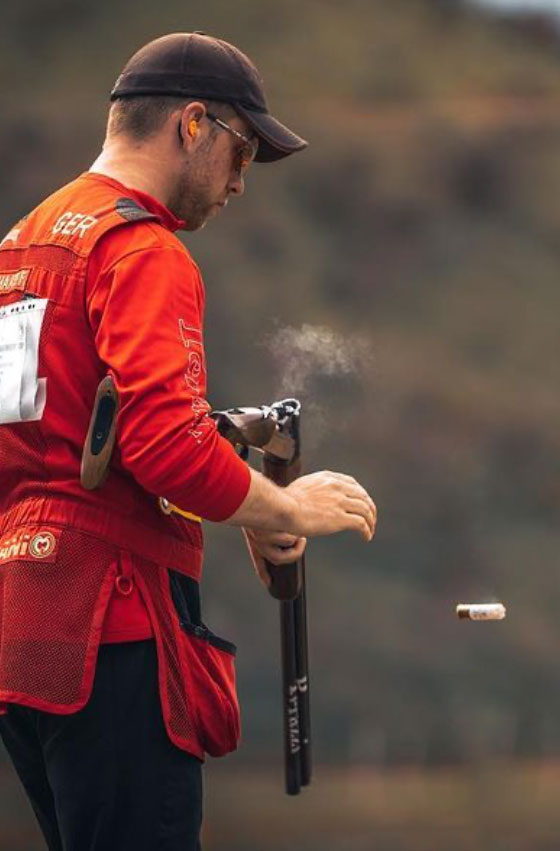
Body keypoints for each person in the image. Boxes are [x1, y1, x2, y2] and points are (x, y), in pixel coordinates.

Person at [0, 32, 377, 851]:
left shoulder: (22, 247)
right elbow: (163, 446)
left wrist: (240, 499)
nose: (242, 182)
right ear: (194, 124)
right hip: (119, 626)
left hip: (25, 636)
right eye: (242, 152)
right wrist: (285, 505)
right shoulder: (142, 248)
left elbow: (86, 439)